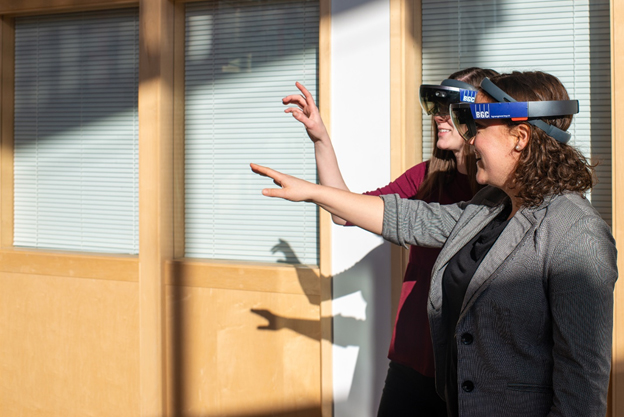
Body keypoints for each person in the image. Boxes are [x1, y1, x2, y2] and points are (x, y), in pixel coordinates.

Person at [251, 70, 617, 416]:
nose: (469, 137)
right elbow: (408, 218)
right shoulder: (489, 207)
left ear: (519, 138)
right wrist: (313, 192)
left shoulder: (577, 234)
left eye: (478, 126)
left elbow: (581, 388)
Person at [281, 67, 497, 416]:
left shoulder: (499, 194)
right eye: (434, 104)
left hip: (470, 368)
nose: (440, 116)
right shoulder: (426, 178)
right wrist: (321, 138)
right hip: (411, 359)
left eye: (451, 106)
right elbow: (344, 210)